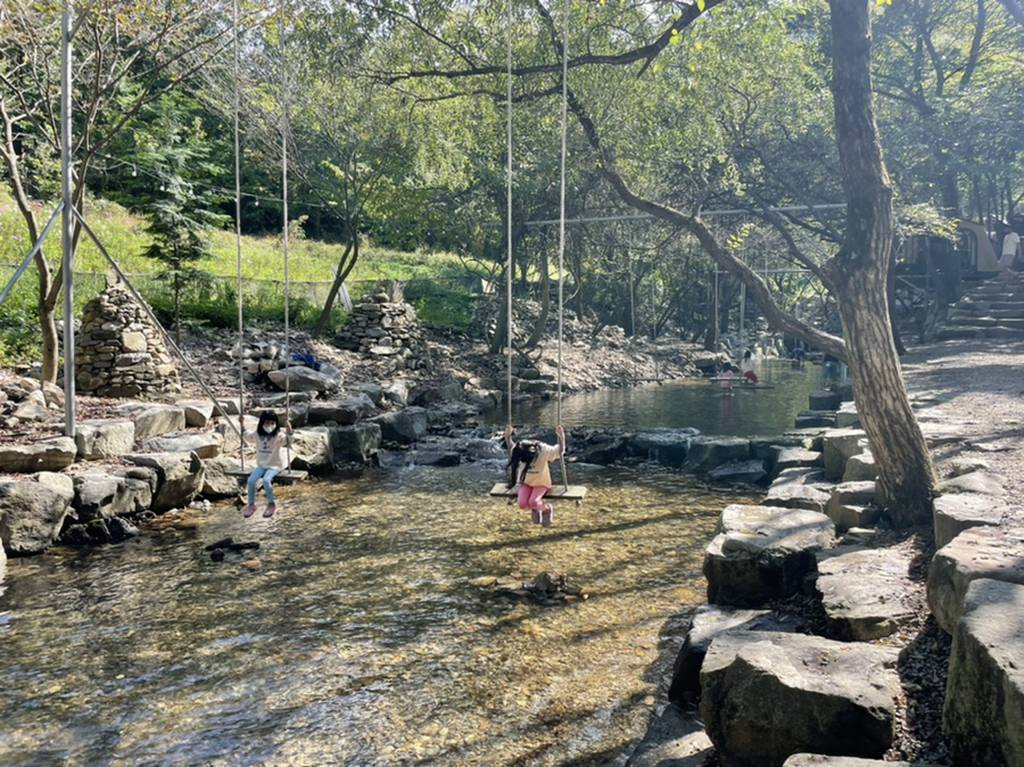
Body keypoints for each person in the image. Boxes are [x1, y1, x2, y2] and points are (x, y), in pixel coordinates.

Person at [503, 424, 567, 527]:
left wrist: (561, 436)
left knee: (534, 501)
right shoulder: (520, 449)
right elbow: (511, 446)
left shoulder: (543, 450)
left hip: (541, 483)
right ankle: (535, 509)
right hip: (526, 482)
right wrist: (508, 436)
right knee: (522, 504)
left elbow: (560, 451)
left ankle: (546, 509)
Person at [243, 411, 292, 519]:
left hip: (275, 465)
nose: (270, 425)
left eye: (272, 423)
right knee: (251, 481)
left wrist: (288, 427)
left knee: (266, 480)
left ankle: (271, 504)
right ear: (262, 423)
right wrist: (242, 424)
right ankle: (251, 505)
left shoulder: (278, 435)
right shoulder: (257, 434)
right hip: (262, 465)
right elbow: (247, 436)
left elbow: (288, 440)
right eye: (267, 423)